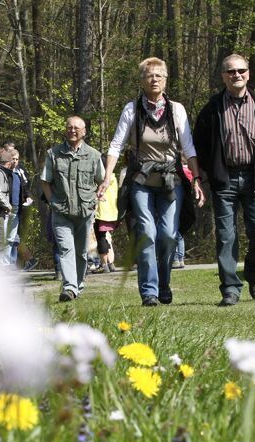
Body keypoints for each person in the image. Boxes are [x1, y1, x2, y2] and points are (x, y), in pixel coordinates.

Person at [99, 57, 205, 307]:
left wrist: (197, 178)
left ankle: (164, 282)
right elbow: (116, 144)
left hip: (171, 180)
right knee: (146, 233)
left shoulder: (176, 109)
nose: (154, 79)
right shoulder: (131, 109)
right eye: (149, 75)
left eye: (159, 75)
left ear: (166, 80)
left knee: (168, 235)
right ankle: (149, 291)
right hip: (141, 180)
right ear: (141, 80)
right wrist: (107, 177)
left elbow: (188, 146)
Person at [193, 53, 255, 307]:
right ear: (223, 76)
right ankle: (230, 289)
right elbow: (198, 146)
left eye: (241, 71)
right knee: (226, 236)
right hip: (224, 180)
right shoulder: (212, 109)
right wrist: (199, 177)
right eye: (231, 71)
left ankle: (254, 274)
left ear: (248, 73)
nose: (237, 75)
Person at [40, 116, 105, 302]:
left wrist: (96, 199)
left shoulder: (93, 155)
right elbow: (46, 181)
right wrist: (53, 202)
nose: (72, 130)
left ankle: (77, 284)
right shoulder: (53, 153)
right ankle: (69, 287)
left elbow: (101, 181)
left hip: (85, 212)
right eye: (69, 127)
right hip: (61, 212)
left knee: (81, 251)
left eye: (77, 127)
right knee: (65, 249)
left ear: (84, 131)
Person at [2, 143, 33, 265]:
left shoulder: (20, 172)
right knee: (4, 237)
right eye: (12, 159)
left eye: (16, 159)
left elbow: (25, 186)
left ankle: (10, 264)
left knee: (12, 238)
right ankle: (3, 264)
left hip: (17, 208)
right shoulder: (3, 172)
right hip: (5, 209)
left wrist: (28, 197)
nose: (14, 161)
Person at [93, 154, 119, 273]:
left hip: (101, 212)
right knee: (106, 237)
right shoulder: (113, 177)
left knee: (101, 238)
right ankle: (111, 263)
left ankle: (104, 265)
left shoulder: (102, 179)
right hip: (112, 212)